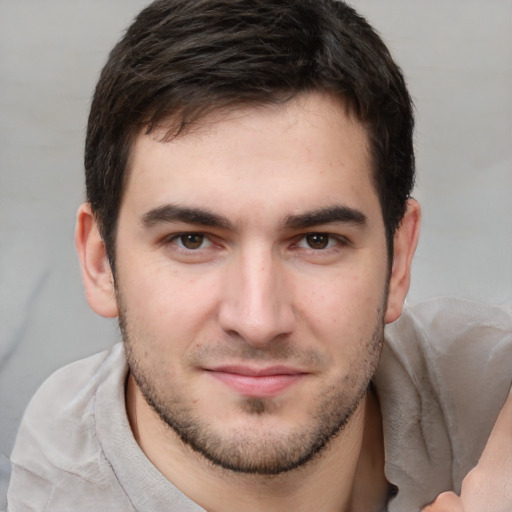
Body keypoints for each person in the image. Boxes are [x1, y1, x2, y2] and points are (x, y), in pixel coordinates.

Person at [6, 0, 512, 511]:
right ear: (100, 263)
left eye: (318, 240)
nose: (258, 321)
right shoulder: (66, 486)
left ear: (398, 260)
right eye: (192, 240)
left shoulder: (480, 389)